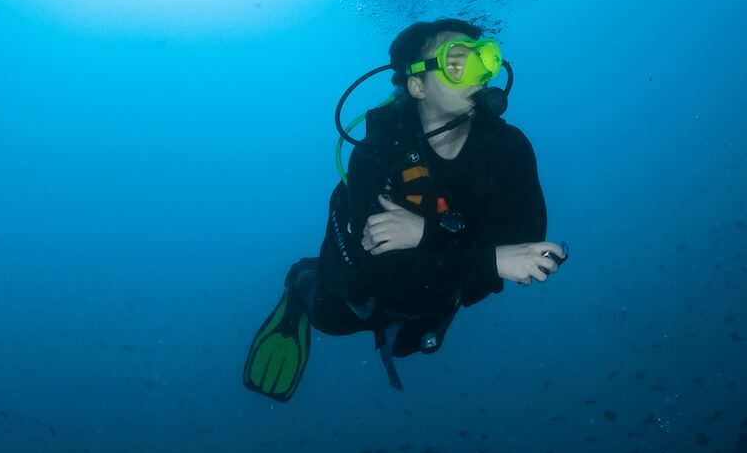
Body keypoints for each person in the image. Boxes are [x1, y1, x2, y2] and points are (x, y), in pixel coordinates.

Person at [243, 20, 566, 399]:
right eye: (458, 63)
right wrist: (490, 259)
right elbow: (385, 276)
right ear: (418, 85)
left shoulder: (509, 146)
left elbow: (532, 247)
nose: (479, 74)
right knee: (334, 317)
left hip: (441, 290)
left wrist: (424, 234)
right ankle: (301, 279)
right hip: (362, 282)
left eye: (485, 60)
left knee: (414, 342)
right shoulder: (377, 157)